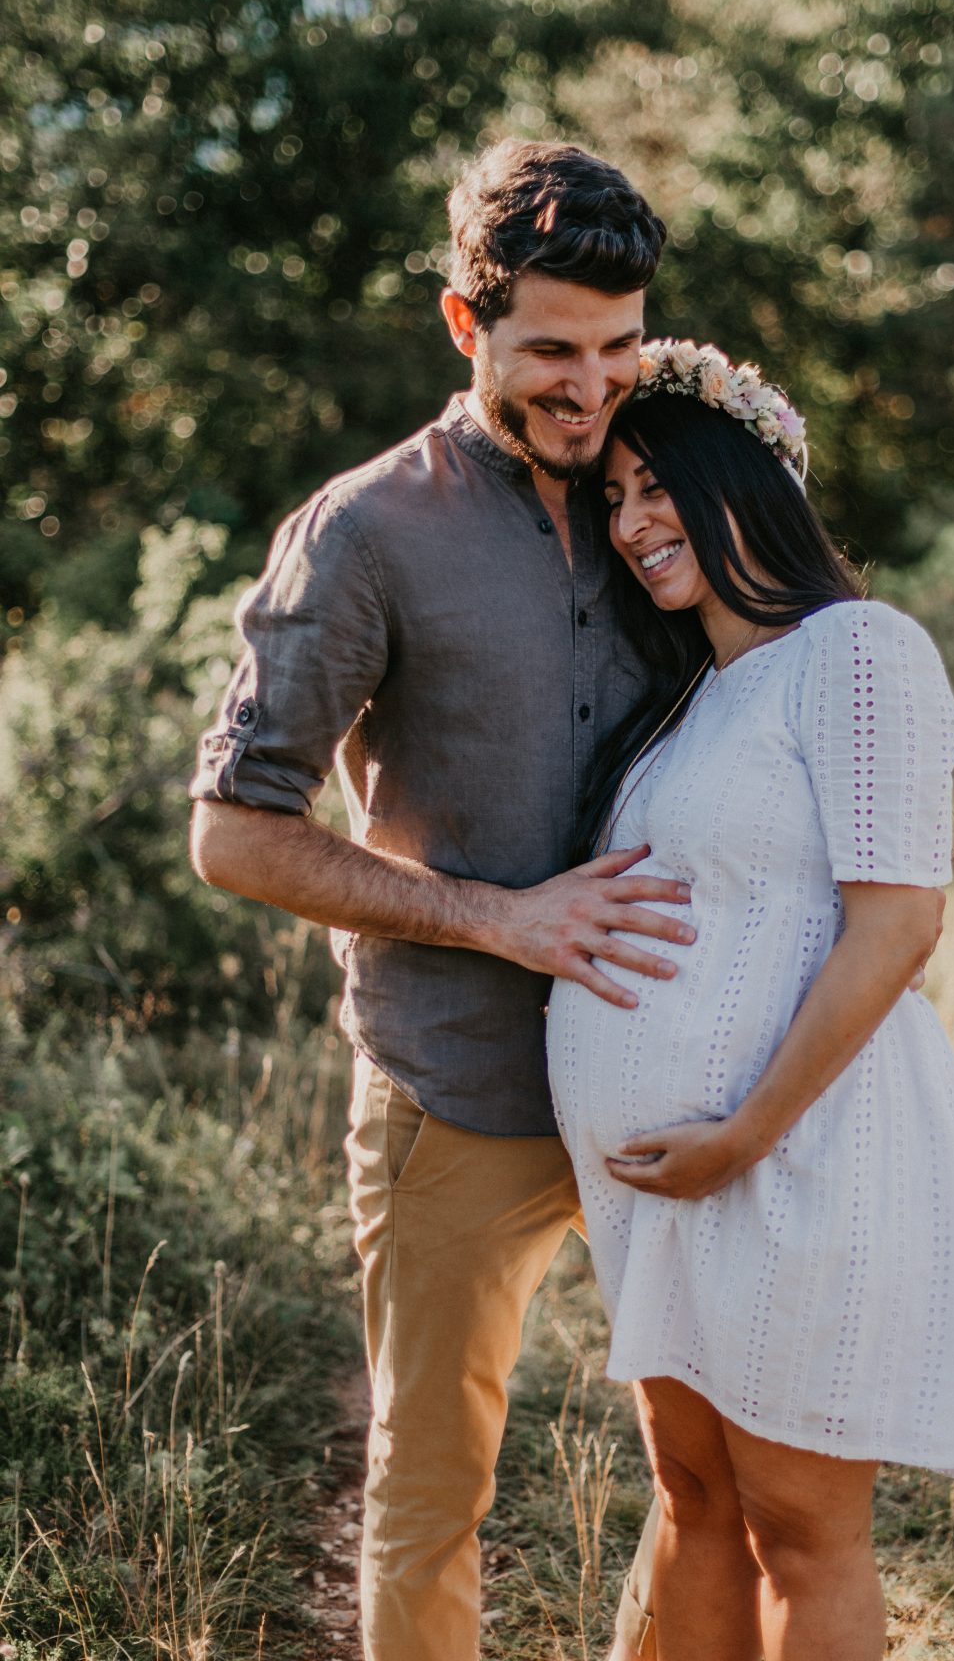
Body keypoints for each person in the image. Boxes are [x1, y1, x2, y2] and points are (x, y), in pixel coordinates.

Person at [189, 139, 685, 1660]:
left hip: (674, 1074)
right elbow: (234, 834)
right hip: (458, 1089)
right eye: (550, 350)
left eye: (620, 347)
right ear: (467, 328)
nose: (590, 386)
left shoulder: (673, 477)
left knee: (719, 1466)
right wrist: (500, 918)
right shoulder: (363, 533)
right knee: (433, 1491)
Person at [547, 341, 954, 1661]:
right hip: (676, 1189)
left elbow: (900, 924)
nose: (635, 523)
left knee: (802, 1532)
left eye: (658, 488)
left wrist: (744, 1133)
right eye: (617, 500)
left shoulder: (857, 650)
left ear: (743, 482)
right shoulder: (695, 699)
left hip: (805, 1157)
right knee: (694, 1501)